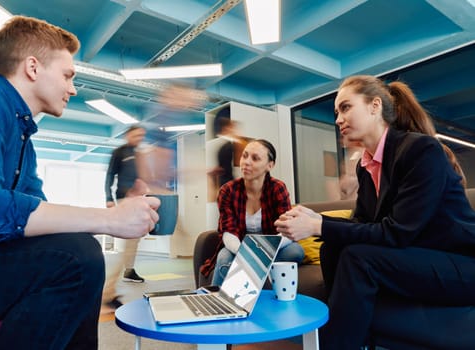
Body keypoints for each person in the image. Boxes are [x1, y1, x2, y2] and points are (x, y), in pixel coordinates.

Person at [0, 16, 160, 350]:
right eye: (68, 75)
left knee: (74, 246)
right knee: (75, 257)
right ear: (33, 68)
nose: (73, 88)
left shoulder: (24, 140)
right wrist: (107, 219)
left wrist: (105, 219)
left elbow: (38, 223)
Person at [275, 75, 475, 350]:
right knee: (333, 248)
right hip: (419, 255)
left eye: (345, 108)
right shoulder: (367, 166)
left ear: (375, 105)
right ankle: (350, 338)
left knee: (359, 259)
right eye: (336, 112)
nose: (338, 120)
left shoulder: (420, 150)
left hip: (460, 265)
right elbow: (362, 223)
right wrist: (312, 219)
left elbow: (397, 232)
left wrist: (318, 225)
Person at [204, 139, 305, 286]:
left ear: (270, 165)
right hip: (239, 245)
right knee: (224, 258)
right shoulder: (228, 190)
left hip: (271, 246)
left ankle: (256, 279)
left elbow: (287, 230)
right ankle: (215, 305)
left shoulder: (278, 188)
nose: (246, 162)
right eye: (244, 156)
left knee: (295, 251)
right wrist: (246, 256)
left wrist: (264, 251)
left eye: (255, 158)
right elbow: (228, 231)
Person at [104, 124, 147, 284]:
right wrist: (108, 198)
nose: (139, 139)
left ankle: (128, 270)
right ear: (127, 136)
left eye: (141, 136)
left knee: (134, 237)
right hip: (124, 198)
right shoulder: (119, 152)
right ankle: (117, 276)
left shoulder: (139, 155)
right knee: (131, 236)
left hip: (138, 198)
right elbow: (110, 175)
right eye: (136, 136)